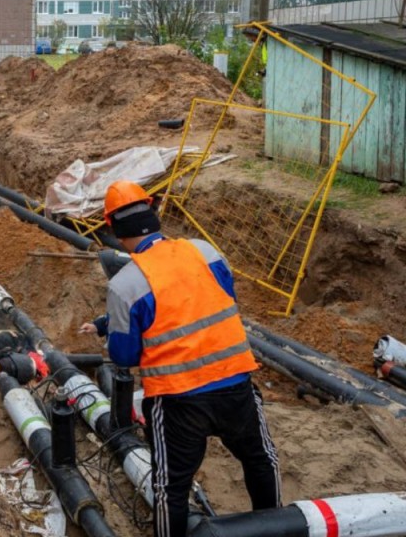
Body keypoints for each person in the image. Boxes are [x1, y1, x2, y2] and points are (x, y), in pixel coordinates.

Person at [80, 180, 281, 537]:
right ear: (154, 212)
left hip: (178, 401)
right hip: (236, 383)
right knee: (260, 460)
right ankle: (275, 528)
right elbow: (213, 299)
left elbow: (124, 356)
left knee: (170, 488)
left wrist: (116, 330)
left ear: (111, 227)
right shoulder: (205, 251)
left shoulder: (125, 285)